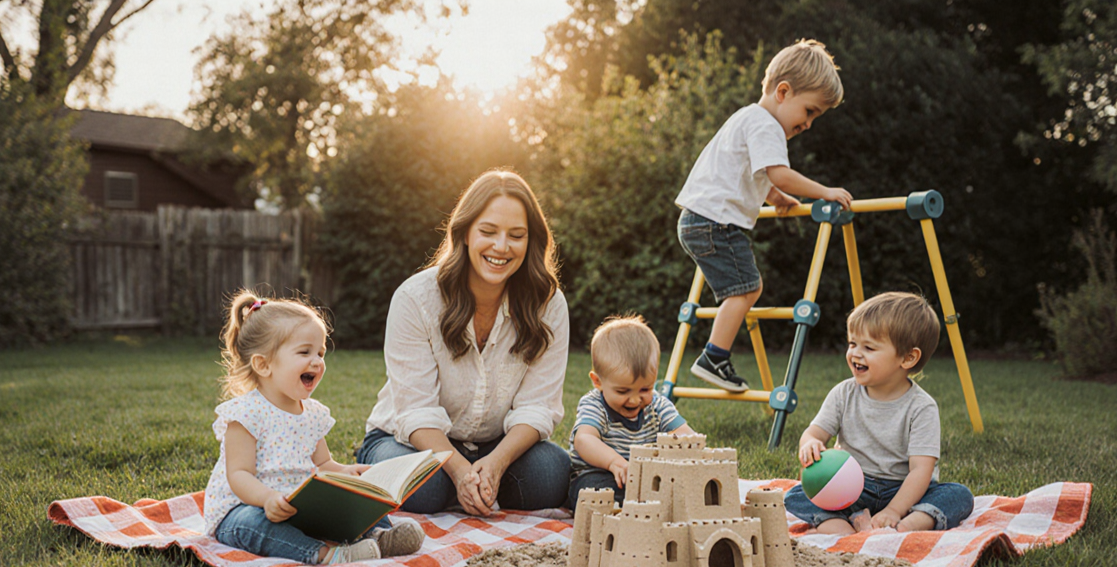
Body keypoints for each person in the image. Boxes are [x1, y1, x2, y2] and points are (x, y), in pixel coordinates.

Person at [357, 169, 571, 516]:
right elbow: (416, 411)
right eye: (488, 232)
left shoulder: (549, 305)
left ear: (531, 241)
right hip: (409, 442)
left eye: (516, 235)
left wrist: (498, 463)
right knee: (424, 488)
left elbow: (539, 406)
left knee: (551, 475)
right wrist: (458, 471)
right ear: (466, 232)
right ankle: (463, 487)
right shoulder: (415, 297)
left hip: (495, 444)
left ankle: (478, 484)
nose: (501, 247)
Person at [676, 39, 853, 392]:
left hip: (700, 219)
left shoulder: (746, 117)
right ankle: (714, 357)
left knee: (743, 289)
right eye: (810, 111)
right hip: (715, 223)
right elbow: (778, 172)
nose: (808, 124)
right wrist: (825, 191)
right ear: (783, 92)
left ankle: (715, 356)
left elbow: (751, 174)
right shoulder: (767, 126)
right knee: (746, 290)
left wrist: (776, 197)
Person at [203, 290, 425, 565]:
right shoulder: (245, 414)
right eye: (304, 352)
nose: (317, 361)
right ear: (263, 364)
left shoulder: (313, 414)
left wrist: (347, 472)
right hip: (246, 507)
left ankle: (381, 534)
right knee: (255, 523)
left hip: (299, 507)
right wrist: (267, 498)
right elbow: (239, 475)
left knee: (354, 498)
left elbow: (323, 463)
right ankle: (326, 555)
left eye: (320, 353)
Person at [784, 292, 975, 534]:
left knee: (958, 495)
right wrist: (810, 444)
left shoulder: (921, 407)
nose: (855, 353)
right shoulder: (843, 393)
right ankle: (844, 527)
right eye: (853, 343)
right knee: (796, 494)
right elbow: (814, 433)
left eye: (869, 347)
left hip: (904, 491)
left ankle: (907, 524)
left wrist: (895, 509)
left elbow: (920, 470)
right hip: (851, 488)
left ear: (908, 358)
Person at [566, 315, 695, 508]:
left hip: (648, 479)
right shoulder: (595, 405)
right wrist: (613, 462)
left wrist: (687, 450)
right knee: (596, 492)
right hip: (599, 475)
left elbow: (685, 435)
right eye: (622, 391)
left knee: (680, 487)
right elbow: (584, 440)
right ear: (598, 381)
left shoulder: (658, 406)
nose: (635, 400)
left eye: (645, 389)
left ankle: (652, 504)